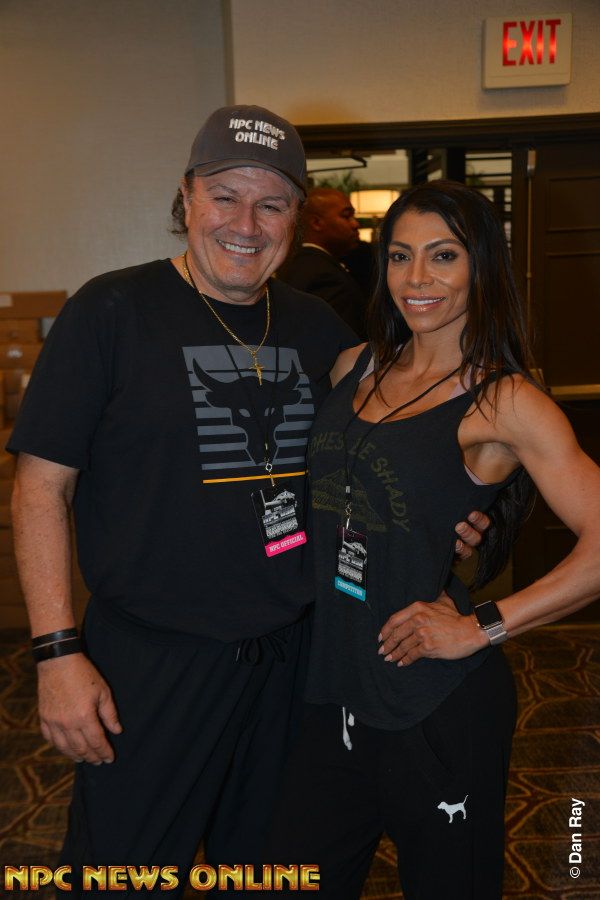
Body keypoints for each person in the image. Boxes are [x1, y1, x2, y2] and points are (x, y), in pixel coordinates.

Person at [8, 110, 487, 895]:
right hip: (151, 665)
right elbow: (40, 487)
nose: (245, 224)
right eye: (225, 196)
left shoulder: (317, 329)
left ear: (295, 218)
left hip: (292, 666)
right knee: (120, 874)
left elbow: (400, 446)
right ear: (187, 196)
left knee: (270, 875)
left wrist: (464, 519)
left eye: (271, 204)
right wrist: (57, 654)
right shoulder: (112, 311)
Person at [265, 180, 600, 899]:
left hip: (436, 705)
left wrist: (482, 627)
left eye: (443, 256)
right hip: (332, 692)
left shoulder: (504, 399)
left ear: (481, 267)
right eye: (400, 256)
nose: (417, 278)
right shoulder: (355, 366)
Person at [277, 187, 369, 338]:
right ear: (316, 223)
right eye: (346, 216)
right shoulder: (322, 276)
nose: (355, 224)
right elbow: (330, 339)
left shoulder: (295, 264)